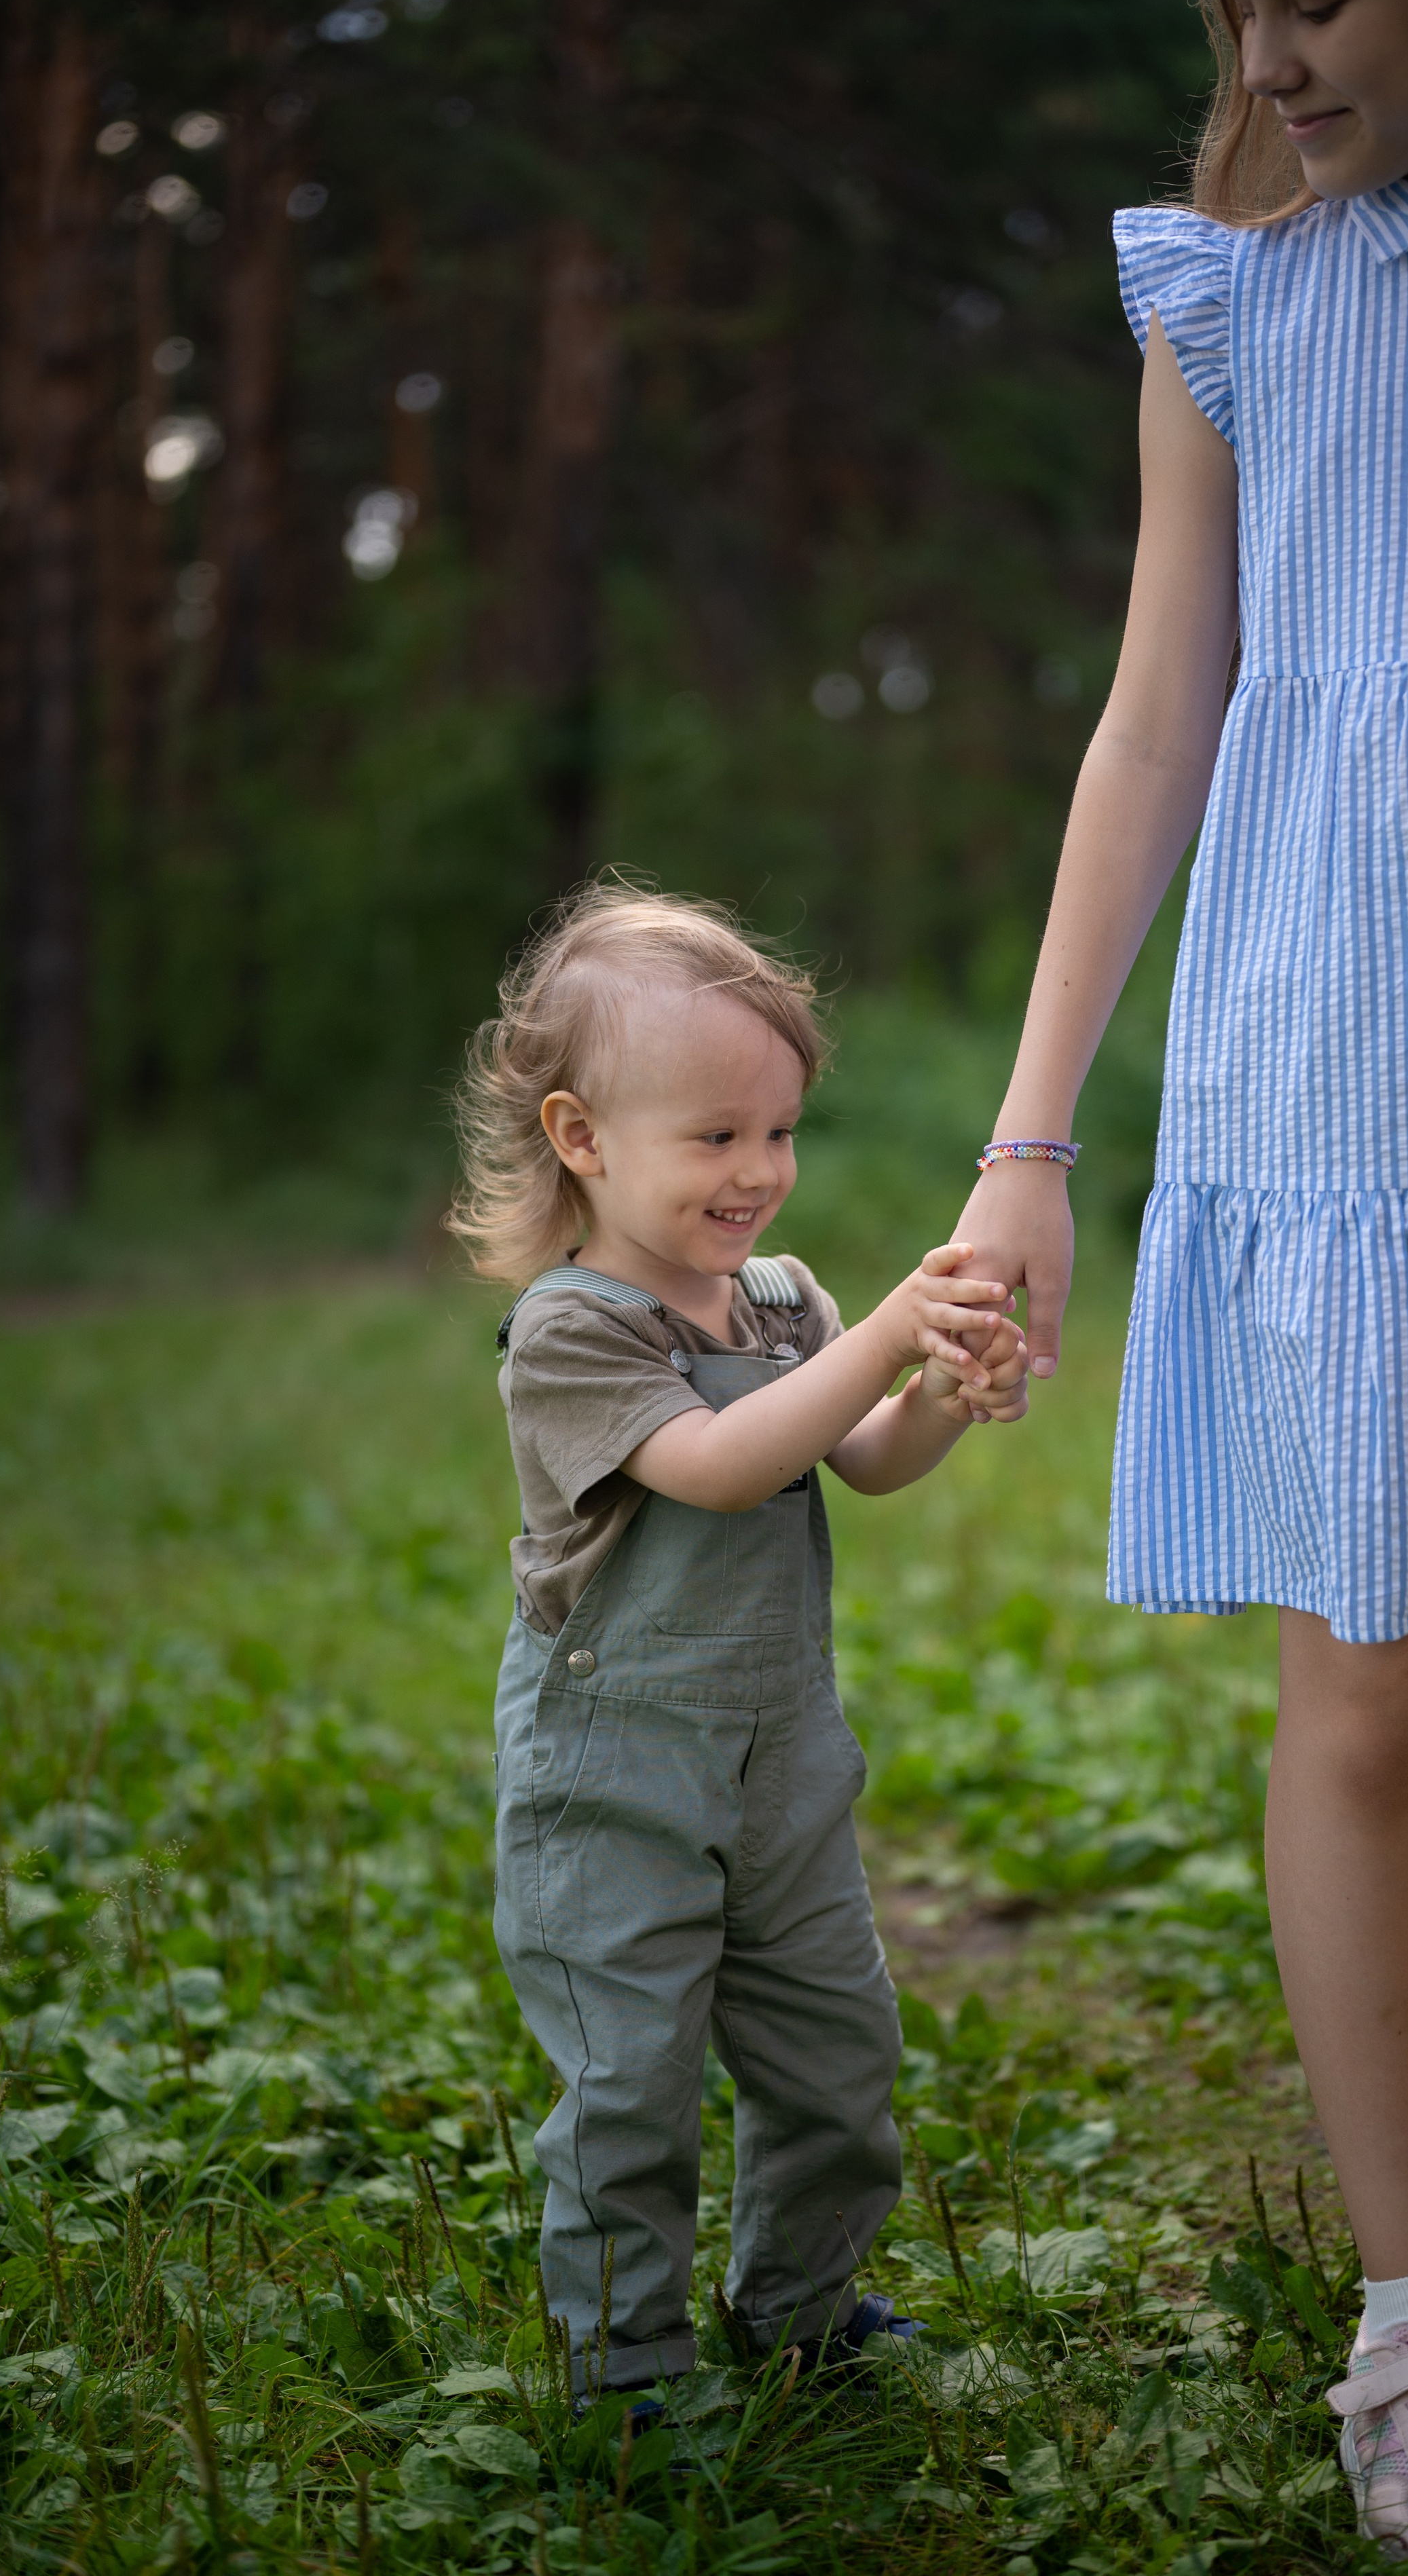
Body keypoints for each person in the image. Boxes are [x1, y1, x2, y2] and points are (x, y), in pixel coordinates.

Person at [953, 0, 1408, 2564]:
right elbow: (1161, 713)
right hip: (1344, 1089)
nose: (1269, 58)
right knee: (1362, 1696)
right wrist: (1029, 1133)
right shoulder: (1227, 292)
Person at [447, 881, 1028, 2407]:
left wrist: (940, 1399)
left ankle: (799, 2307)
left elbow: (861, 1458)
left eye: (777, 1130)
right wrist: (888, 1333)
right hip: (614, 1781)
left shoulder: (782, 1306)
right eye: (714, 1136)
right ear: (581, 1136)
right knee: (631, 2085)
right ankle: (625, 2371)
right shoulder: (573, 1332)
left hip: (779, 1771)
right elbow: (716, 1464)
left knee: (838, 2058)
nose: (759, 1170)